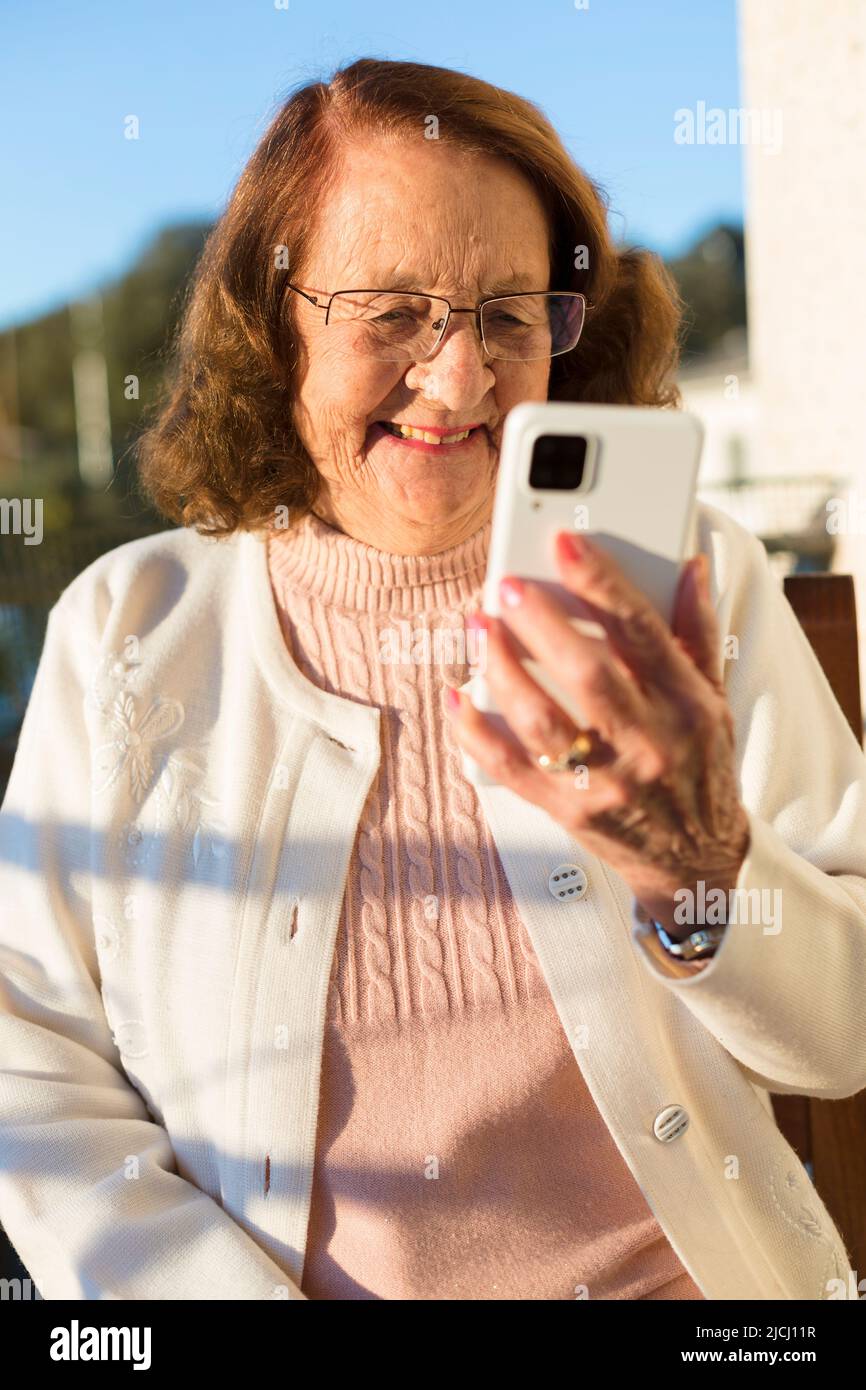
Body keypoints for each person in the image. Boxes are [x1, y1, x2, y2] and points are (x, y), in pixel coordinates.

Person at [1, 57, 865, 1302]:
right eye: (393, 310)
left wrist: (703, 871)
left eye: (511, 314)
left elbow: (841, 1040)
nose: (461, 379)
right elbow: (31, 1074)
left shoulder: (687, 581)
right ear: (273, 317)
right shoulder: (126, 631)